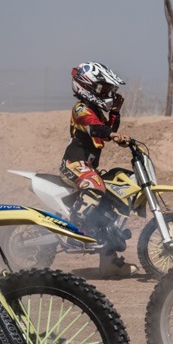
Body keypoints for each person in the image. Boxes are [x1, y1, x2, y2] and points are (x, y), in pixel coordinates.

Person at [60, 61, 137, 278]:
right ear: (87, 86)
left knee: (108, 208)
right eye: (103, 88)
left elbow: (107, 129)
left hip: (88, 167)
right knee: (95, 187)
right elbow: (95, 128)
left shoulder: (95, 110)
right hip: (73, 165)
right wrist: (112, 134)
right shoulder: (80, 109)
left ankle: (109, 264)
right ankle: (73, 231)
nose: (107, 93)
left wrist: (115, 113)